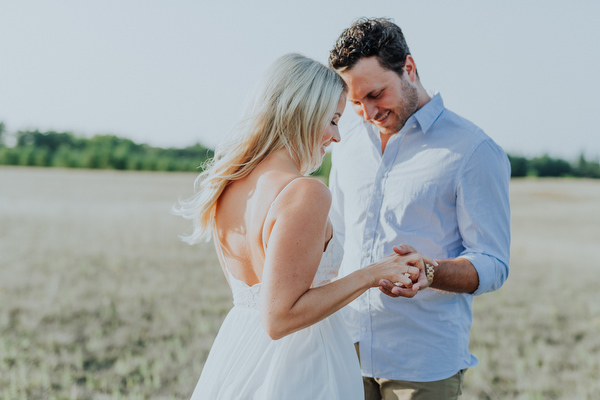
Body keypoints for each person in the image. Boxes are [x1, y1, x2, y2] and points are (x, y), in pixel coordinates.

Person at [174, 53, 436, 400]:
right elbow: (280, 317)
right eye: (332, 119)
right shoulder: (305, 192)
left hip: (239, 353)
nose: (337, 136)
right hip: (301, 364)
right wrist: (373, 274)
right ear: (302, 113)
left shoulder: (228, 185)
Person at [327, 18, 511, 400]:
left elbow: (493, 262)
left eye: (376, 94)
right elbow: (338, 238)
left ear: (408, 68)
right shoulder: (346, 147)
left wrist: (432, 272)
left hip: (422, 365)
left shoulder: (473, 150)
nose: (367, 112)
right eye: (355, 102)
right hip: (344, 351)